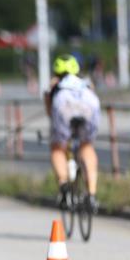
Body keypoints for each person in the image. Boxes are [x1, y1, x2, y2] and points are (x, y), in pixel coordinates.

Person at [45, 54, 100, 211]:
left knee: (58, 148)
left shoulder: (55, 85)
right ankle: (91, 194)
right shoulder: (85, 82)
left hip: (63, 104)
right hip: (89, 104)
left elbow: (51, 112)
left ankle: (63, 186)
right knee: (87, 146)